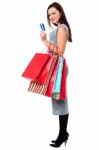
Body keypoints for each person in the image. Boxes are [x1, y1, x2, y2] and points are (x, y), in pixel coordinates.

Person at [40, 2, 72, 148]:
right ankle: (62, 134)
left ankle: (63, 134)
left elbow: (60, 52)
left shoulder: (61, 28)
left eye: (53, 13)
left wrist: (45, 40)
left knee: (60, 101)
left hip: (58, 67)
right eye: (49, 14)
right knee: (58, 101)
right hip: (55, 67)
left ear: (60, 12)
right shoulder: (59, 28)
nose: (51, 16)